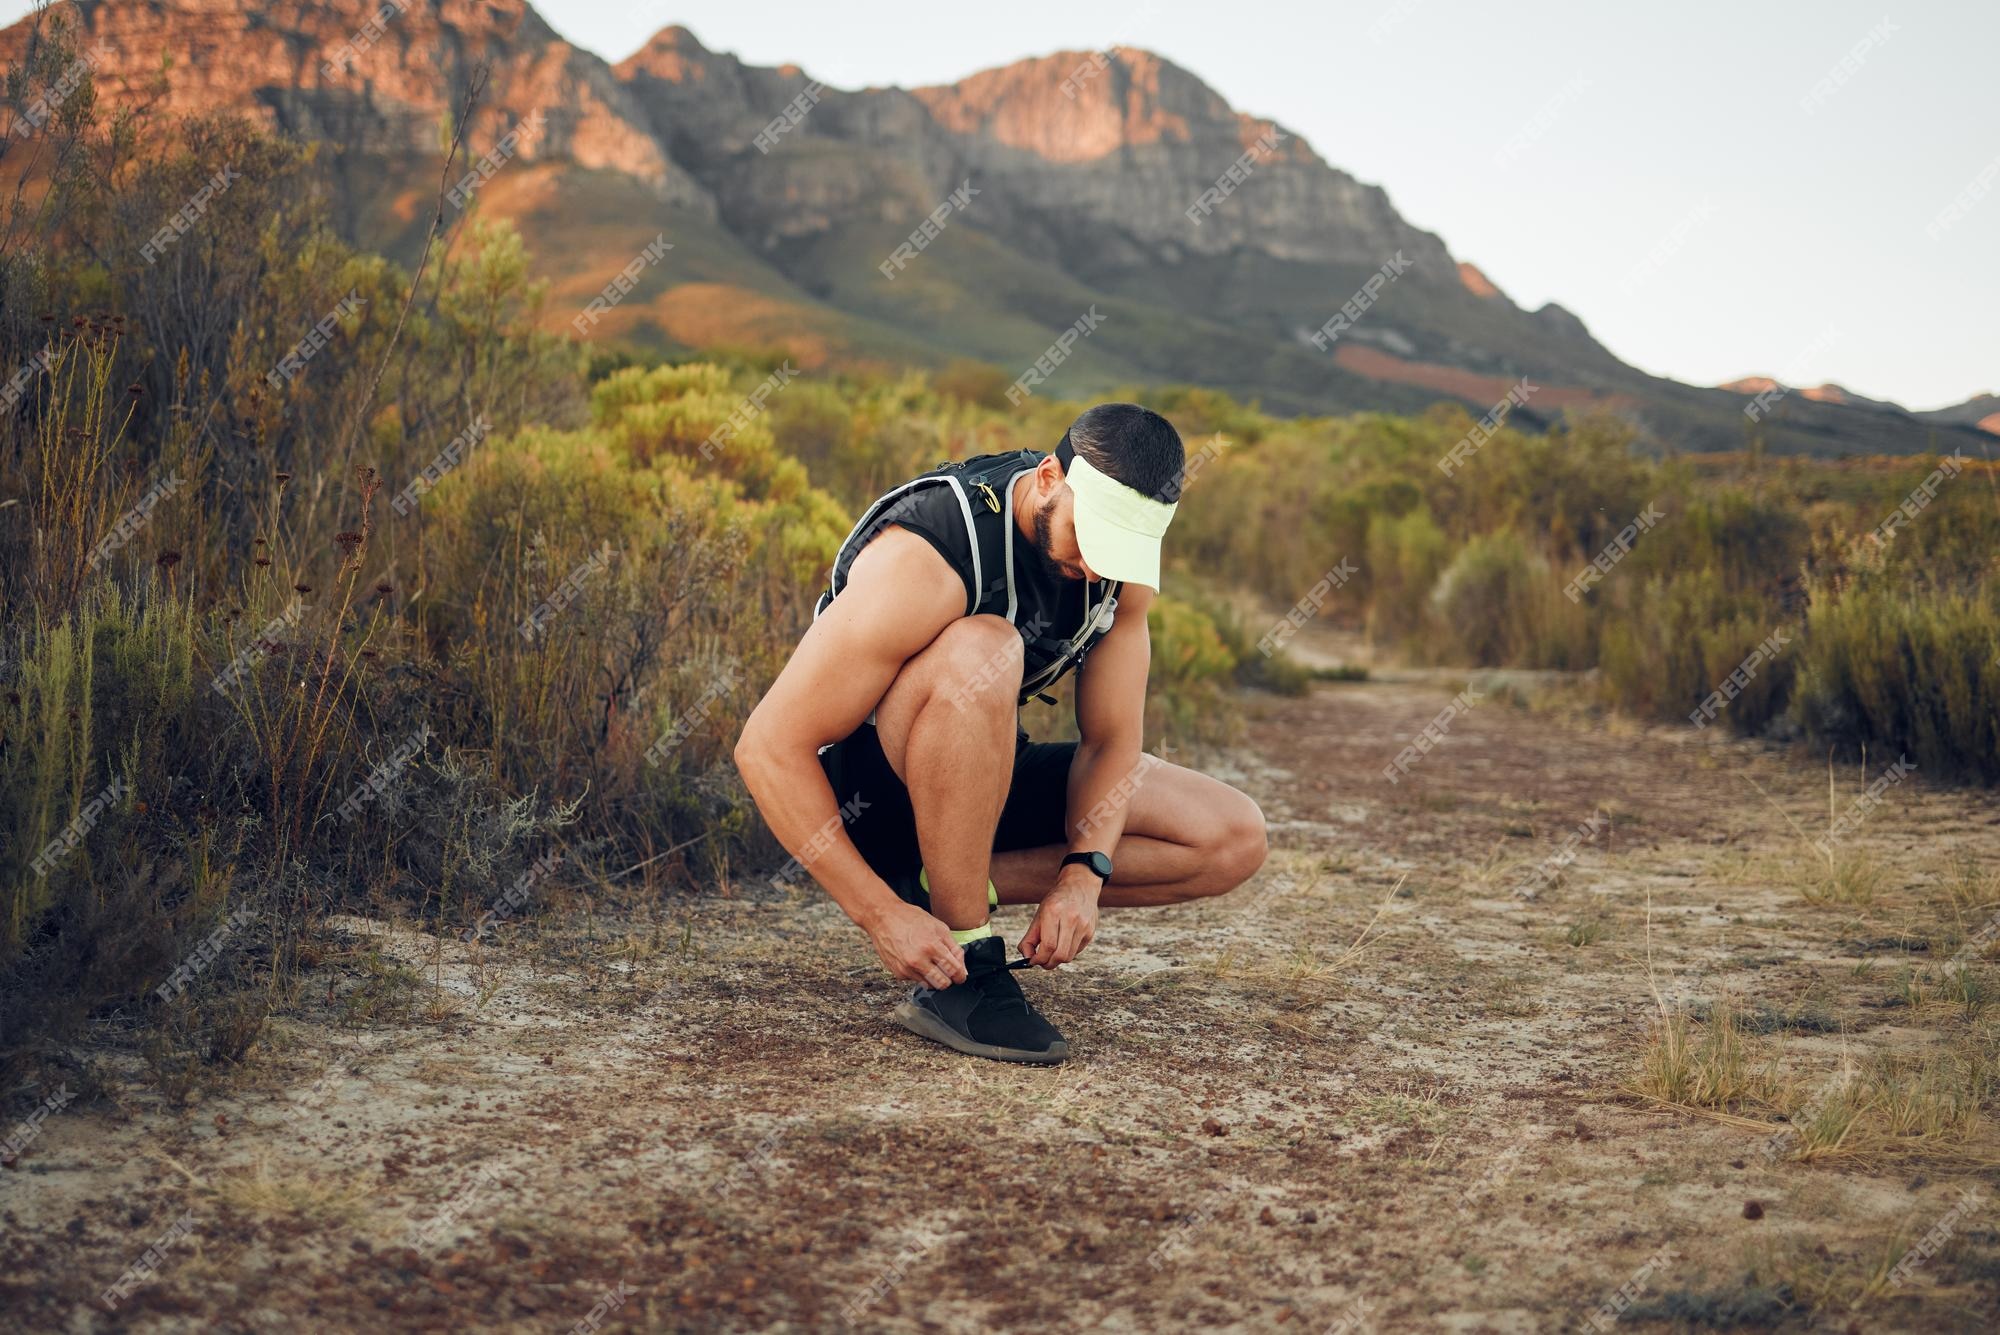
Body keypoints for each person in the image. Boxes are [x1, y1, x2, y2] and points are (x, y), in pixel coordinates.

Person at [733, 403, 1267, 1063]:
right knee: (987, 646)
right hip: (872, 796)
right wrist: (877, 913)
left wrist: (1083, 874)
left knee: (1232, 834)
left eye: (1119, 553)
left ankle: (940, 884)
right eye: (1089, 538)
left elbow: (1110, 741)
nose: (1098, 569)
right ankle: (965, 960)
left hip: (980, 775)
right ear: (1048, 477)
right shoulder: (927, 555)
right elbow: (767, 746)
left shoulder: (1115, 581)